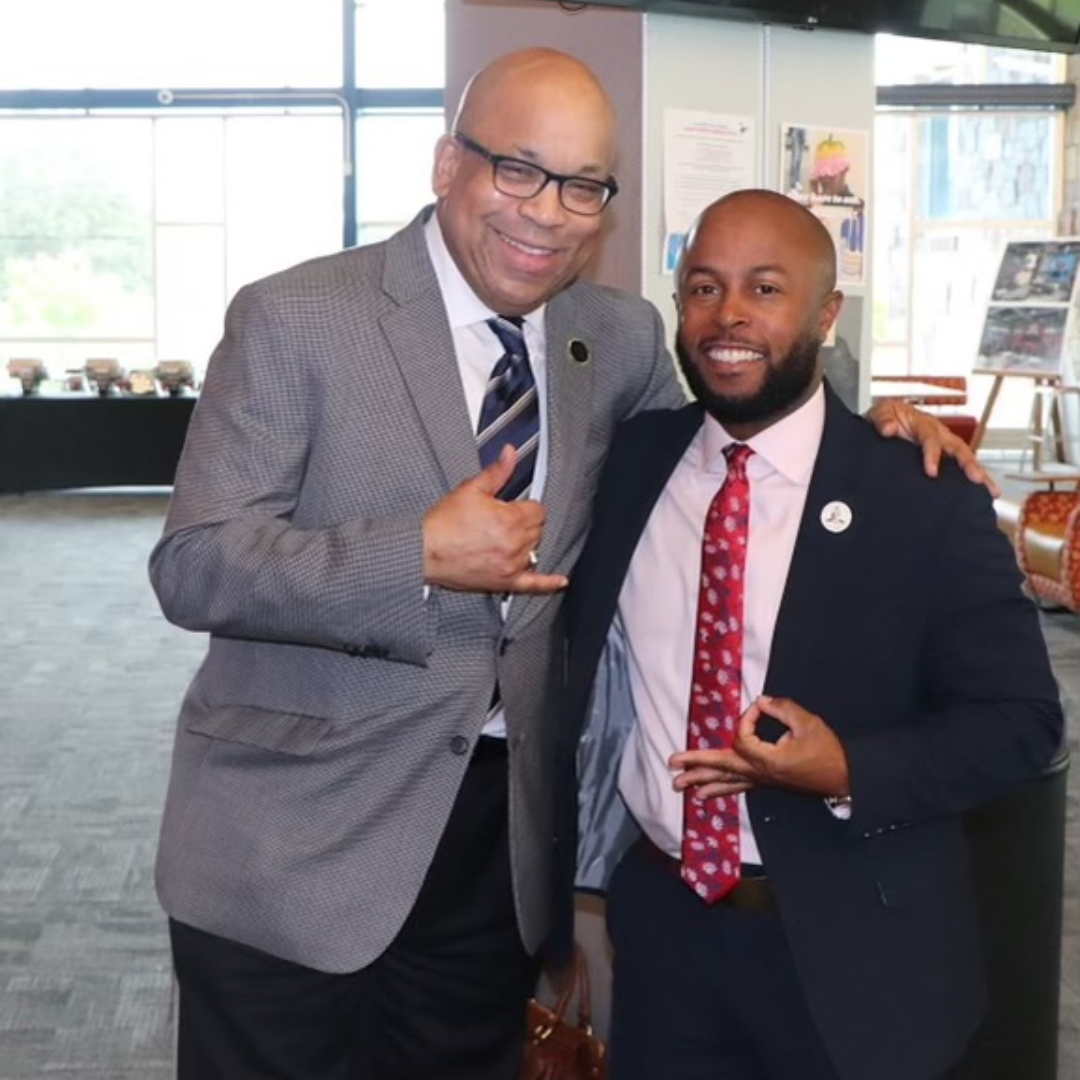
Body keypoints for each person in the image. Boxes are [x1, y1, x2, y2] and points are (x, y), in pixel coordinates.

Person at [148, 46, 986, 1080]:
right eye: (518, 170)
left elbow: (729, 429)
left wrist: (876, 432)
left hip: (498, 846)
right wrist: (415, 555)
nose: (547, 213)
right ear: (447, 164)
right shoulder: (298, 316)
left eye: (582, 185)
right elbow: (195, 564)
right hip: (295, 840)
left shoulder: (618, 337)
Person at [559, 189, 1063, 1080]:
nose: (729, 316)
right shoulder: (631, 463)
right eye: (704, 288)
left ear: (827, 315)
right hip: (666, 938)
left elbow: (1022, 723)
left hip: (858, 955)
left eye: (765, 288)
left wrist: (845, 769)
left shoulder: (920, 497)